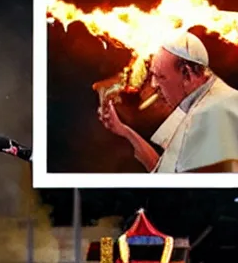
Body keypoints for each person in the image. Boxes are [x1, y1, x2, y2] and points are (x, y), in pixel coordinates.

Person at [99, 32, 238, 173]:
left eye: (161, 76)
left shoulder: (212, 115)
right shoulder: (199, 100)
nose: (154, 85)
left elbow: (176, 184)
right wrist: (124, 130)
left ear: (187, 74)